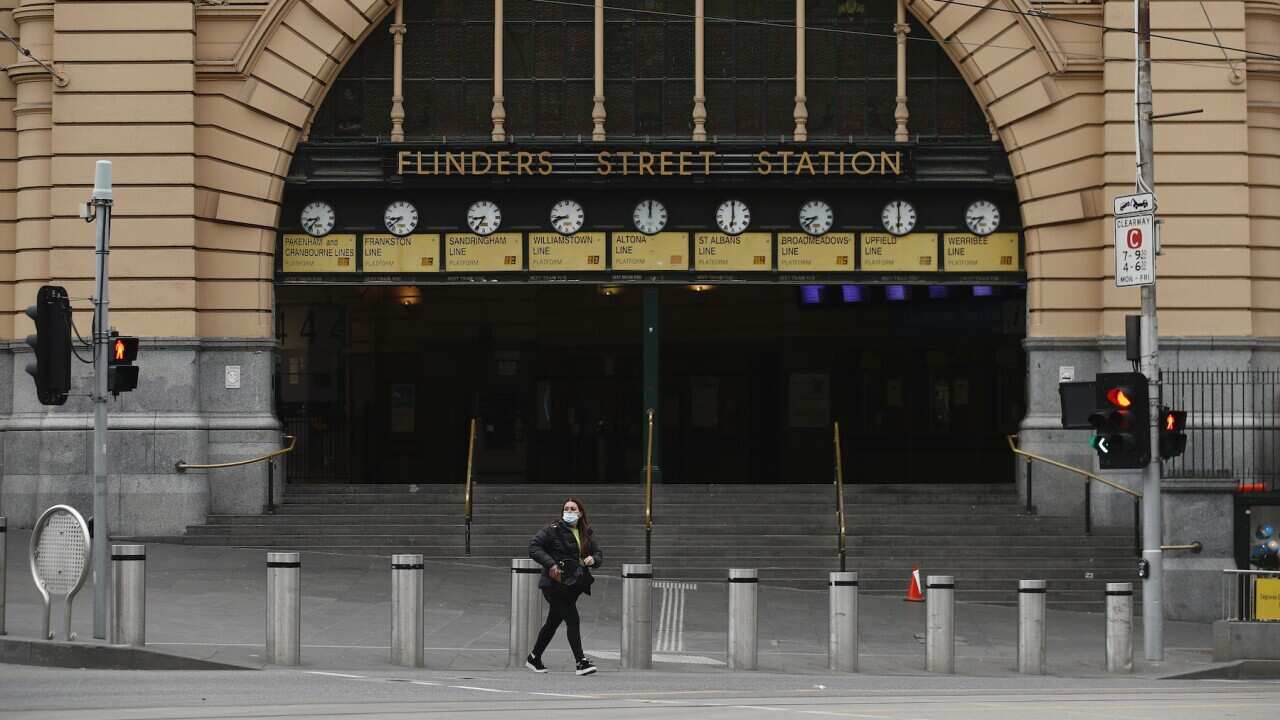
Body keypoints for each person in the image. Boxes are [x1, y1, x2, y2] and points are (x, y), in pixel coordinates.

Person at [526, 497, 602, 675]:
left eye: (573, 509)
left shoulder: (586, 533)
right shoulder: (552, 531)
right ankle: (580, 662)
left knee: (552, 622)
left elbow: (597, 553)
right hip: (554, 585)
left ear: (580, 513)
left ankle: (534, 657)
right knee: (572, 619)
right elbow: (534, 546)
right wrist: (551, 564)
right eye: (566, 509)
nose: (569, 511)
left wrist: (593, 559)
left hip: (572, 585)